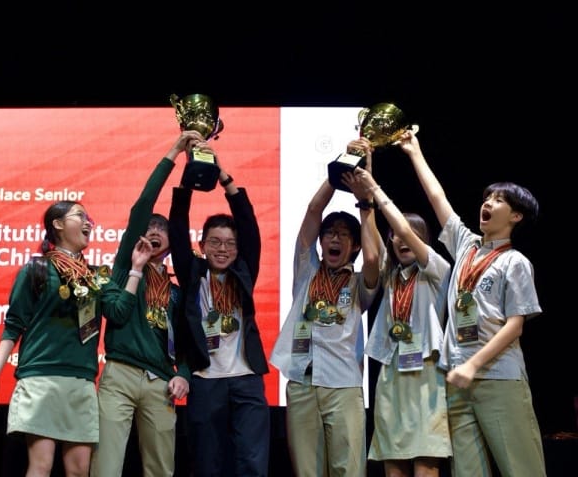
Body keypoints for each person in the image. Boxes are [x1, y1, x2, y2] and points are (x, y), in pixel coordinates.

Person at [399, 130, 546, 476]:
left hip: (498, 378)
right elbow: (437, 198)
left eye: (499, 200)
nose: (488, 203)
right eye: (487, 197)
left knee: (521, 468)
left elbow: (515, 326)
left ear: (516, 216)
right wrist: (414, 151)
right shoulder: (466, 245)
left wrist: (473, 365)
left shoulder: (515, 262)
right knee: (467, 471)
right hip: (458, 379)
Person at [0, 201, 153, 477]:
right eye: (80, 216)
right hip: (41, 379)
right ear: (58, 224)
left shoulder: (95, 276)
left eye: (89, 218)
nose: (88, 223)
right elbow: (13, 326)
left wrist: (136, 269)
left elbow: (119, 312)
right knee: (41, 466)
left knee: (79, 470)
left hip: (81, 381)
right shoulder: (36, 269)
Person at [91, 132, 199, 477]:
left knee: (161, 469)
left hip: (160, 382)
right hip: (120, 374)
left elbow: (188, 343)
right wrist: (175, 151)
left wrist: (183, 374)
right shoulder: (124, 268)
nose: (154, 231)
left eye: (161, 229)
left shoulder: (177, 292)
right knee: (105, 467)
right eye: (149, 227)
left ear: (172, 243)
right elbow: (142, 205)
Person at [269, 153, 381, 477]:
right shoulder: (307, 270)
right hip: (301, 383)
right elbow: (312, 211)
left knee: (348, 470)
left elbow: (373, 258)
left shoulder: (360, 283)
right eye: (329, 233)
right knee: (307, 471)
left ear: (355, 246)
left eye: (344, 234)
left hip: (343, 385)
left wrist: (365, 201)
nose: (334, 238)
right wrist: (337, 174)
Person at [168, 137, 270, 477]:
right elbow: (177, 228)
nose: (222, 249)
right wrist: (188, 180)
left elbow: (249, 226)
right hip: (205, 379)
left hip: (246, 378)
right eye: (214, 242)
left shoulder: (244, 272)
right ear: (202, 245)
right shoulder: (192, 272)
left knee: (252, 462)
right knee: (206, 464)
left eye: (229, 243)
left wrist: (225, 179)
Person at [350, 138, 452, 476]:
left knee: (425, 464)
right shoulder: (391, 275)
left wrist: (375, 188)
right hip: (392, 373)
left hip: (427, 373)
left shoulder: (437, 270)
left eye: (407, 235)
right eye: (394, 236)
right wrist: (365, 187)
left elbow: (404, 230)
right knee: (393, 466)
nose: (399, 239)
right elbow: (371, 240)